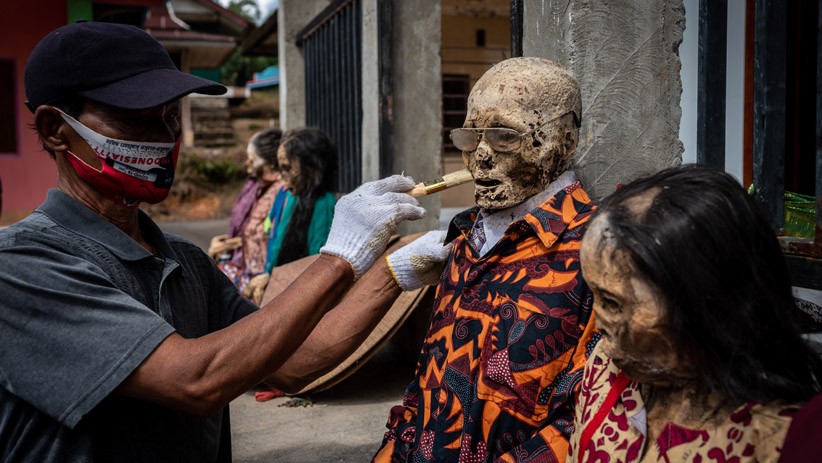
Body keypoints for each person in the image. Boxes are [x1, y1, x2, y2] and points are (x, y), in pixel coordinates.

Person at [0, 21, 429, 462]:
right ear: (55, 128)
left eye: (169, 117)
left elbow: (294, 362)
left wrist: (394, 271)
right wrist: (339, 258)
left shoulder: (184, 260)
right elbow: (198, 380)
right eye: (136, 117)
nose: (163, 138)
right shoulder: (20, 265)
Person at [374, 57, 599, 462]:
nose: (480, 156)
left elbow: (585, 419)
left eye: (503, 136)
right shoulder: (464, 238)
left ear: (565, 142)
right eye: (470, 136)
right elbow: (425, 383)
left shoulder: (599, 250)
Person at [569, 164, 822, 462]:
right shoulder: (606, 367)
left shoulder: (787, 436)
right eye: (594, 294)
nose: (597, 323)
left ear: (703, 305)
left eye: (613, 303)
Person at [243, 127, 339, 303]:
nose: (283, 180)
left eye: (287, 168)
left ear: (310, 170)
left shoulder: (324, 205)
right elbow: (278, 245)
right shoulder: (293, 197)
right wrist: (269, 276)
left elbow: (317, 266)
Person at [210, 128, 284, 293]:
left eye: (252, 160)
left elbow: (270, 239)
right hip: (248, 270)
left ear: (271, 165)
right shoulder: (256, 187)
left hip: (259, 278)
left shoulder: (281, 194)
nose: (247, 165)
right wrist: (228, 243)